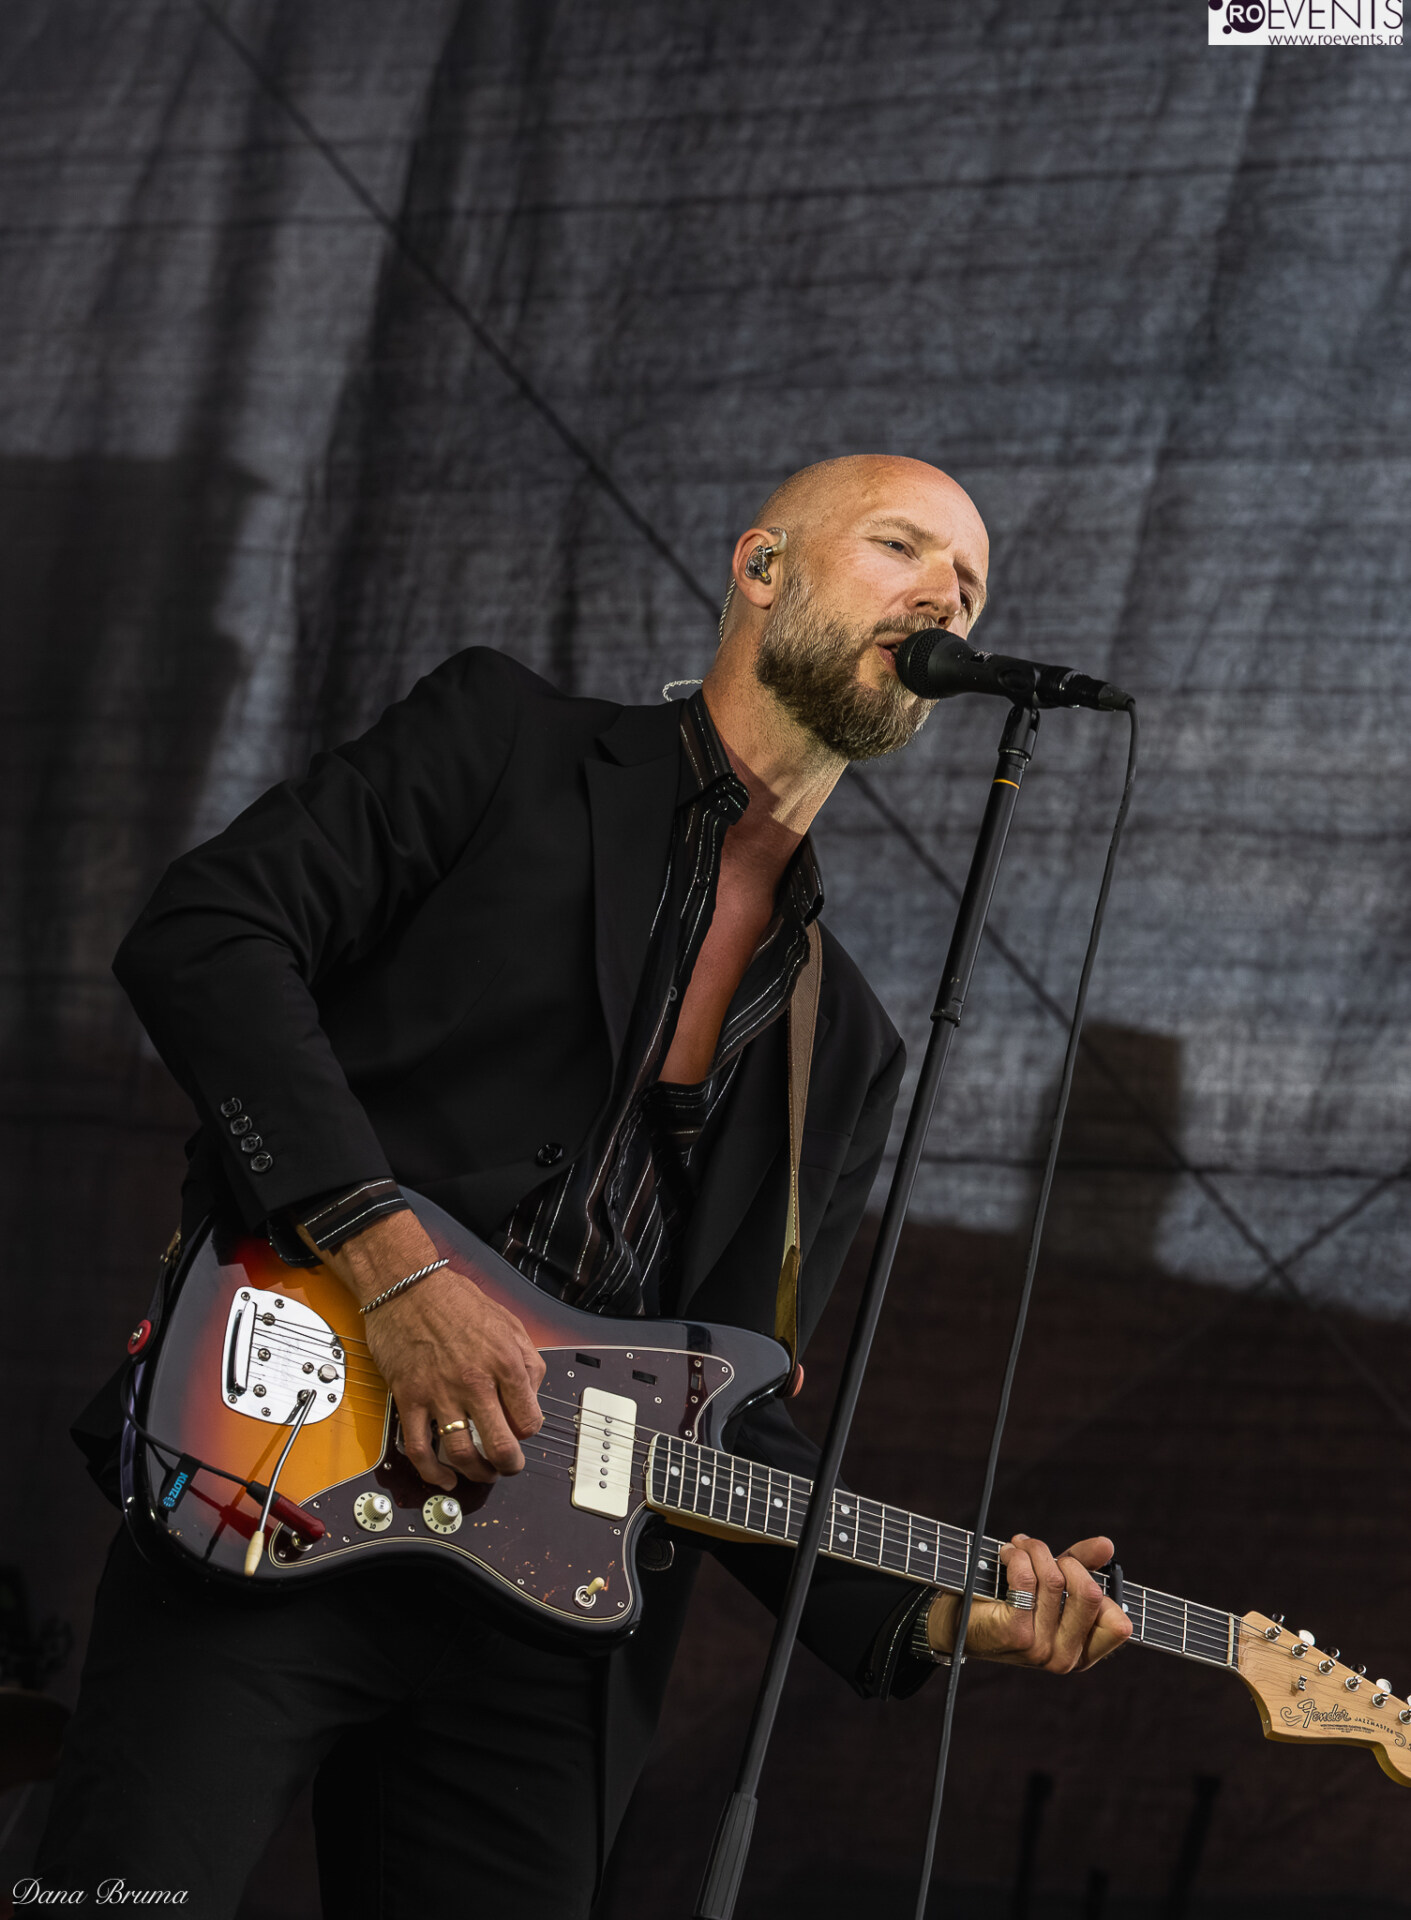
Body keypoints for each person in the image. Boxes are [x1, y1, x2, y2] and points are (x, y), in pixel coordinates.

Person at [38, 455, 1130, 1915]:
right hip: (280, 1462)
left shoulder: (848, 1044)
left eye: (973, 587)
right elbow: (207, 934)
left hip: (542, 1620)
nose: (948, 596)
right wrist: (397, 1270)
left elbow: (731, 1409)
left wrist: (934, 1614)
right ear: (760, 569)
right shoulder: (503, 743)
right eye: (900, 547)